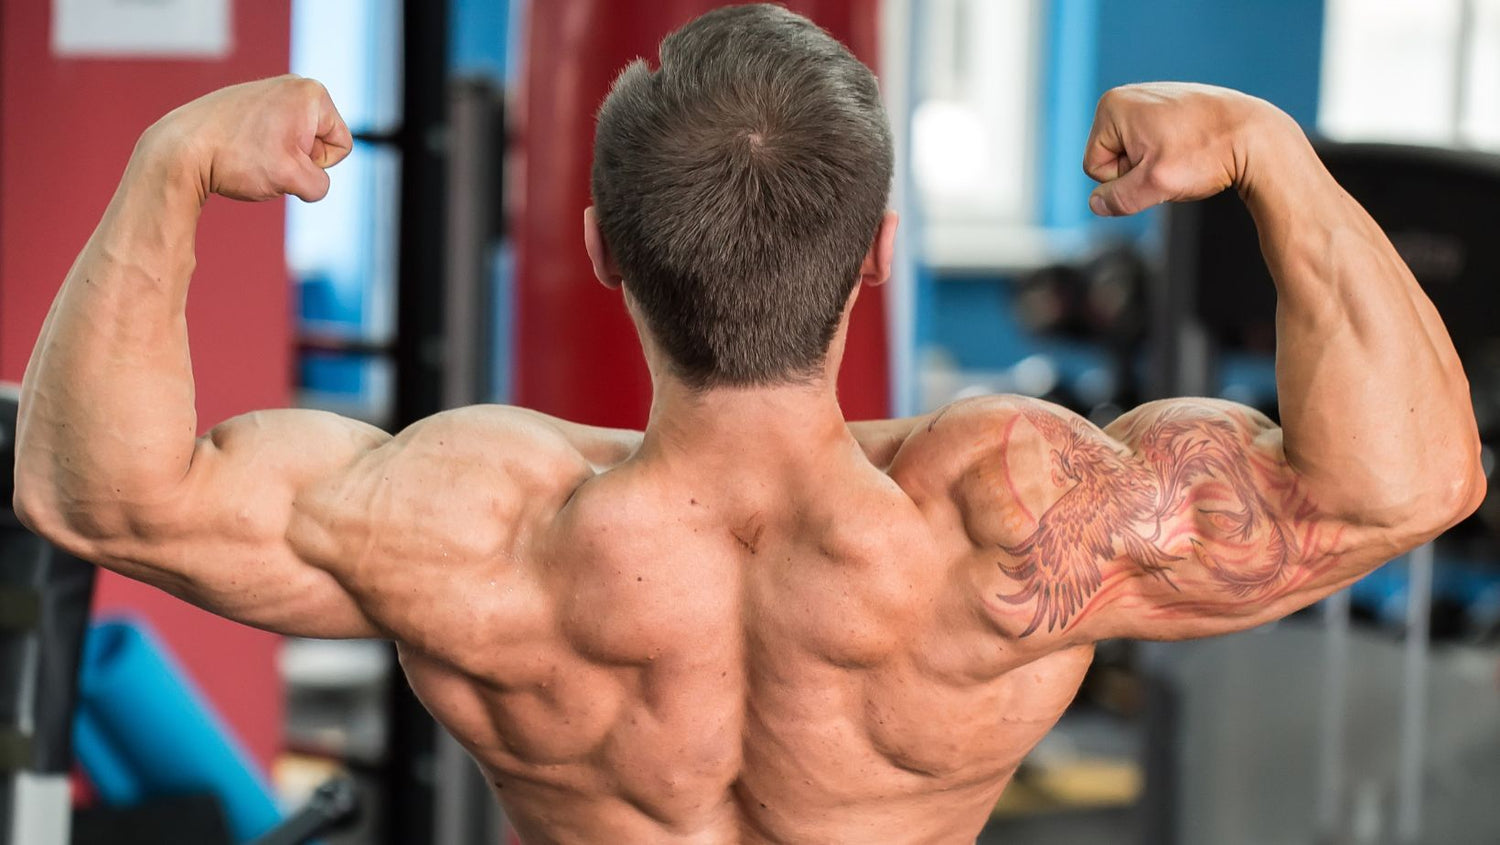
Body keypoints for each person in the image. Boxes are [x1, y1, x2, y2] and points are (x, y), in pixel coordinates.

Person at [12, 4, 1484, 843]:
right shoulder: (1013, 518)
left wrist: (171, 164)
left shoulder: (476, 519)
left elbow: (101, 495)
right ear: (878, 256)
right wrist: (1271, 156)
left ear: (596, 245)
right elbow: (1406, 482)